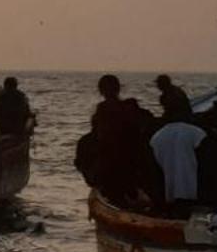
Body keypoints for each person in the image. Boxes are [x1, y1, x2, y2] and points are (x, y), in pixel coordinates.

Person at [76, 75, 156, 207]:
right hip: (132, 167)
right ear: (119, 89)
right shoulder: (132, 108)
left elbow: (99, 138)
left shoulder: (104, 111)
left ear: (101, 91)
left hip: (114, 169)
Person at [149, 114, 205, 209]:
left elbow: (155, 170)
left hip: (169, 194)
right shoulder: (196, 132)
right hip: (197, 194)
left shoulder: (157, 137)